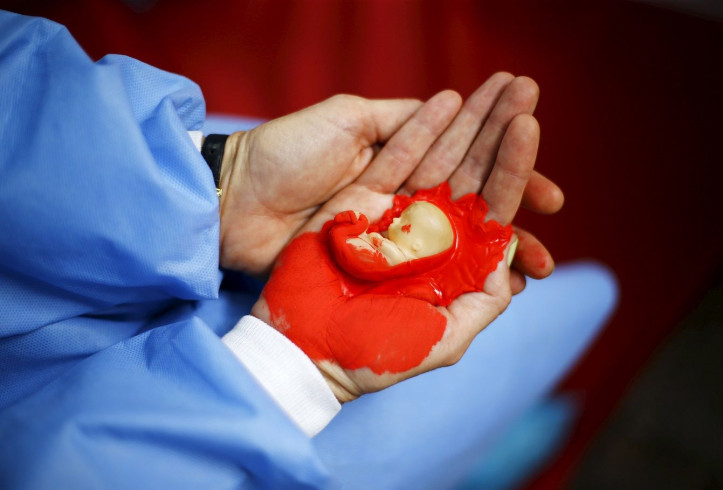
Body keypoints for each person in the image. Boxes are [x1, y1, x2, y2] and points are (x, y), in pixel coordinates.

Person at [0, 10, 617, 489]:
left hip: (113, 211)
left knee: (573, 304)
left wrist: (212, 177)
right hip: (179, 427)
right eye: (400, 229)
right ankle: (513, 436)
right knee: (563, 315)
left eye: (402, 232)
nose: (392, 228)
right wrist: (286, 371)